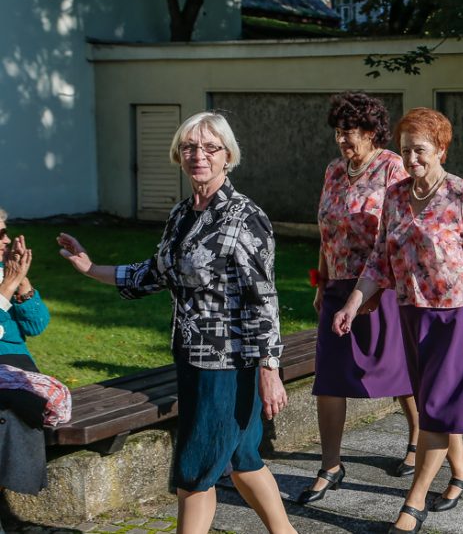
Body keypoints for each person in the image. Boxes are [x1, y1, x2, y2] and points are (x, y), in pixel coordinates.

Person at [58, 112, 296, 534]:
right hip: (190, 355)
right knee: (243, 459)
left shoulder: (244, 217)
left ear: (227, 156)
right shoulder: (182, 213)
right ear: (178, 154)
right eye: (189, 147)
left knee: (194, 472)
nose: (198, 155)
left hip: (227, 363)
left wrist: (269, 368)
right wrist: (91, 267)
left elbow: (263, 299)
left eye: (209, 147)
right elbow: (158, 271)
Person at [332, 108, 463, 534]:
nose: (412, 158)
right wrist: (351, 305)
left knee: (435, 411)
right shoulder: (396, 197)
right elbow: (380, 261)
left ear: (441, 149)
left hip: (458, 316)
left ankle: (411, 508)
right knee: (434, 401)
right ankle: (462, 472)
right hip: (410, 314)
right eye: (405, 151)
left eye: (420, 150)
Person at [299, 93, 420, 504]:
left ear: (371, 133)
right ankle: (330, 466)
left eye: (349, 134)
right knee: (328, 378)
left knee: (399, 372)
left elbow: (398, 235)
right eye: (338, 134)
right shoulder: (333, 170)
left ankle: (418, 439)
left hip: (380, 287)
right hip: (336, 288)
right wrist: (320, 284)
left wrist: (371, 291)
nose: (342, 142)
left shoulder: (392, 167)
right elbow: (325, 235)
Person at [0, 212, 52, 507]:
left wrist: (22, 282)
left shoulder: (3, 271)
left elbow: (36, 324)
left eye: (5, 233)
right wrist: (7, 287)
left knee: (27, 403)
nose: (6, 240)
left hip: (16, 364)